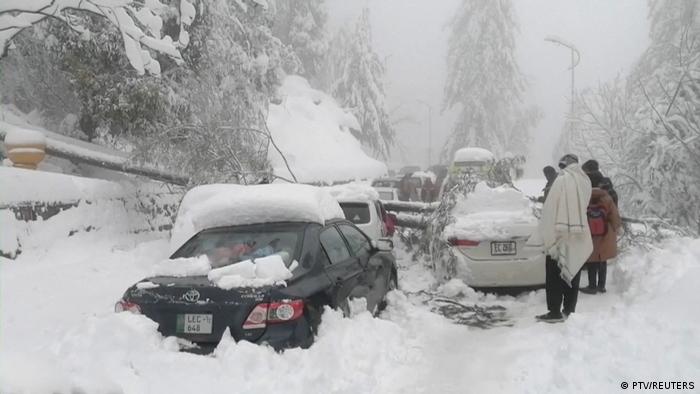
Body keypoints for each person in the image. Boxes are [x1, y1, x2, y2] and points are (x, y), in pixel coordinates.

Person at [528, 153, 593, 323]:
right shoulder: (585, 180)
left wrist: (547, 231)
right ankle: (570, 309)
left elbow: (551, 208)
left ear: (565, 165)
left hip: (559, 234)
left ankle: (555, 311)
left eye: (561, 166)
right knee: (574, 269)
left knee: (554, 274)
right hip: (579, 233)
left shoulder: (563, 180)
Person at [580, 171, 621, 294]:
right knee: (602, 260)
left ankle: (592, 286)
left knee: (592, 260)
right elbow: (615, 218)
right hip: (605, 233)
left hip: (590, 233)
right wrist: (615, 228)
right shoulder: (607, 198)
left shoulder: (585, 197)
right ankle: (601, 286)